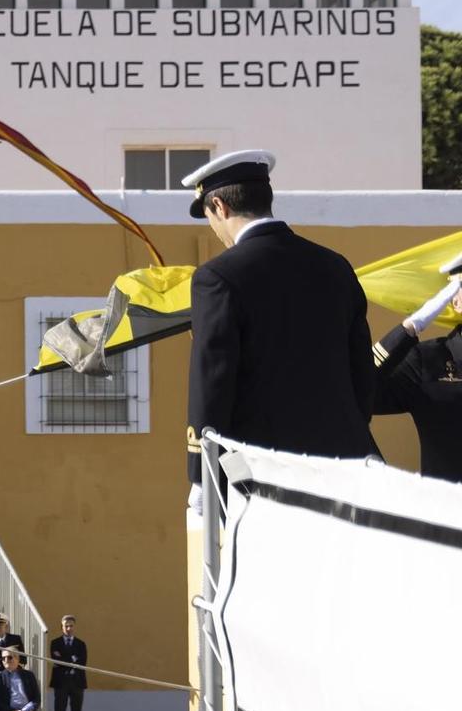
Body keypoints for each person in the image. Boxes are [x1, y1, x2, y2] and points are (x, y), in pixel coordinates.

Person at [183, 150, 376, 500]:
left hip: (266, 472)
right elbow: (362, 371)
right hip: (345, 464)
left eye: (209, 216)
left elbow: (212, 381)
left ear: (219, 208)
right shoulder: (336, 266)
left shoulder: (217, 277)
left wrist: (201, 472)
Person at [371, 268, 462, 481]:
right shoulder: (429, 359)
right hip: (448, 509)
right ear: (456, 300)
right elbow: (359, 388)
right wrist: (410, 328)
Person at [46, 613, 88, 711]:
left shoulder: (81, 644)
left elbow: (82, 662)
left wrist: (66, 660)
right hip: (61, 683)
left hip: (77, 683)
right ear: (61, 627)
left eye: (71, 626)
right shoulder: (55, 643)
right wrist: (72, 660)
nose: (68, 628)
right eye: (66, 626)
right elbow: (56, 659)